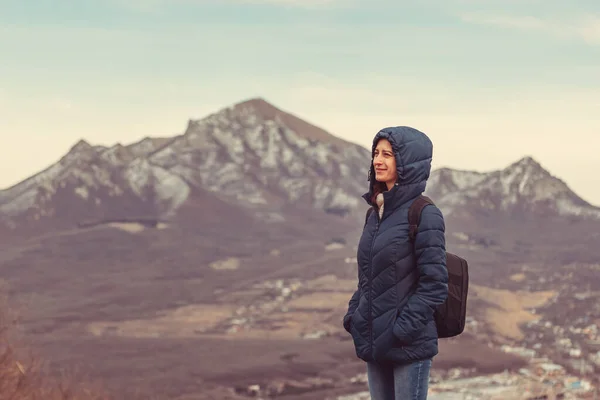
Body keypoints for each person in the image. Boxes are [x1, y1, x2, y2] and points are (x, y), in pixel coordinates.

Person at [342, 126, 449, 400]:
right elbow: (368, 278)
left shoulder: (424, 214)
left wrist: (400, 331)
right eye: (376, 153)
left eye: (387, 154)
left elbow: (434, 285)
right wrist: (355, 315)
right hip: (374, 343)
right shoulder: (375, 214)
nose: (378, 160)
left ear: (407, 162)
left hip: (408, 345)